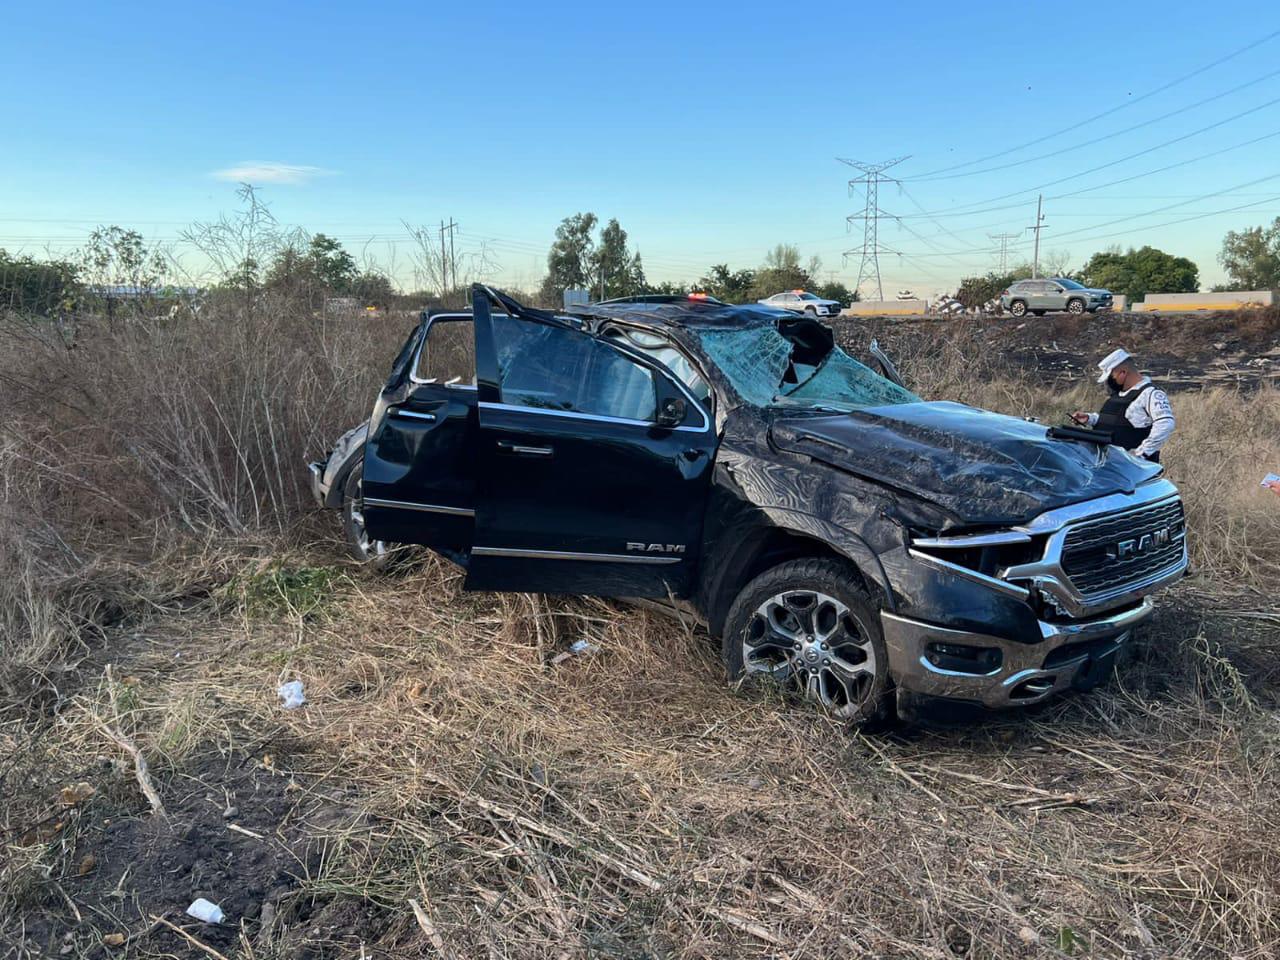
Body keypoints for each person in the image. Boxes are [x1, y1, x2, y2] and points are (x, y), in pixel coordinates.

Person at [1071, 348, 1174, 463]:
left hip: (1132, 468)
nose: (1109, 381)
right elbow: (1117, 420)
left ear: (1123, 372)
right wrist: (1090, 419)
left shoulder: (1151, 394)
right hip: (1107, 462)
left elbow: (1165, 424)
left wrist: (1140, 453)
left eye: (1111, 376)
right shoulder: (1118, 394)